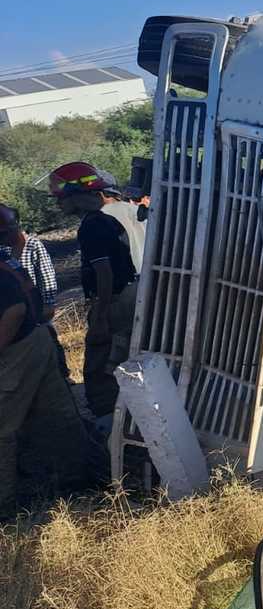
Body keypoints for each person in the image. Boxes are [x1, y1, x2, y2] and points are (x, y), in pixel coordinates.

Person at [47, 162, 138, 428]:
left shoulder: (92, 226)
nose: (58, 204)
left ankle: (109, 431)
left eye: (60, 198)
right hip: (127, 296)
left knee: (100, 372)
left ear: (76, 195)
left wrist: (99, 317)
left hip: (114, 302)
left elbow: (104, 273)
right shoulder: (107, 220)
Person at [0, 255, 83, 518]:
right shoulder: (5, 260)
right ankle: (83, 478)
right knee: (58, 416)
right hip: (36, 340)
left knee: (2, 426)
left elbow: (15, 310)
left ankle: (4, 506)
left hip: (18, 349)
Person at [0, 203, 66, 378]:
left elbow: (46, 275)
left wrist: (48, 305)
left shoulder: (32, 245)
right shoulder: (5, 253)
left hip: (33, 316)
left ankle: (63, 373)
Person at [102, 182, 147, 274]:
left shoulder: (101, 215)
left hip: (122, 275)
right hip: (145, 272)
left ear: (101, 194)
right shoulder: (137, 210)